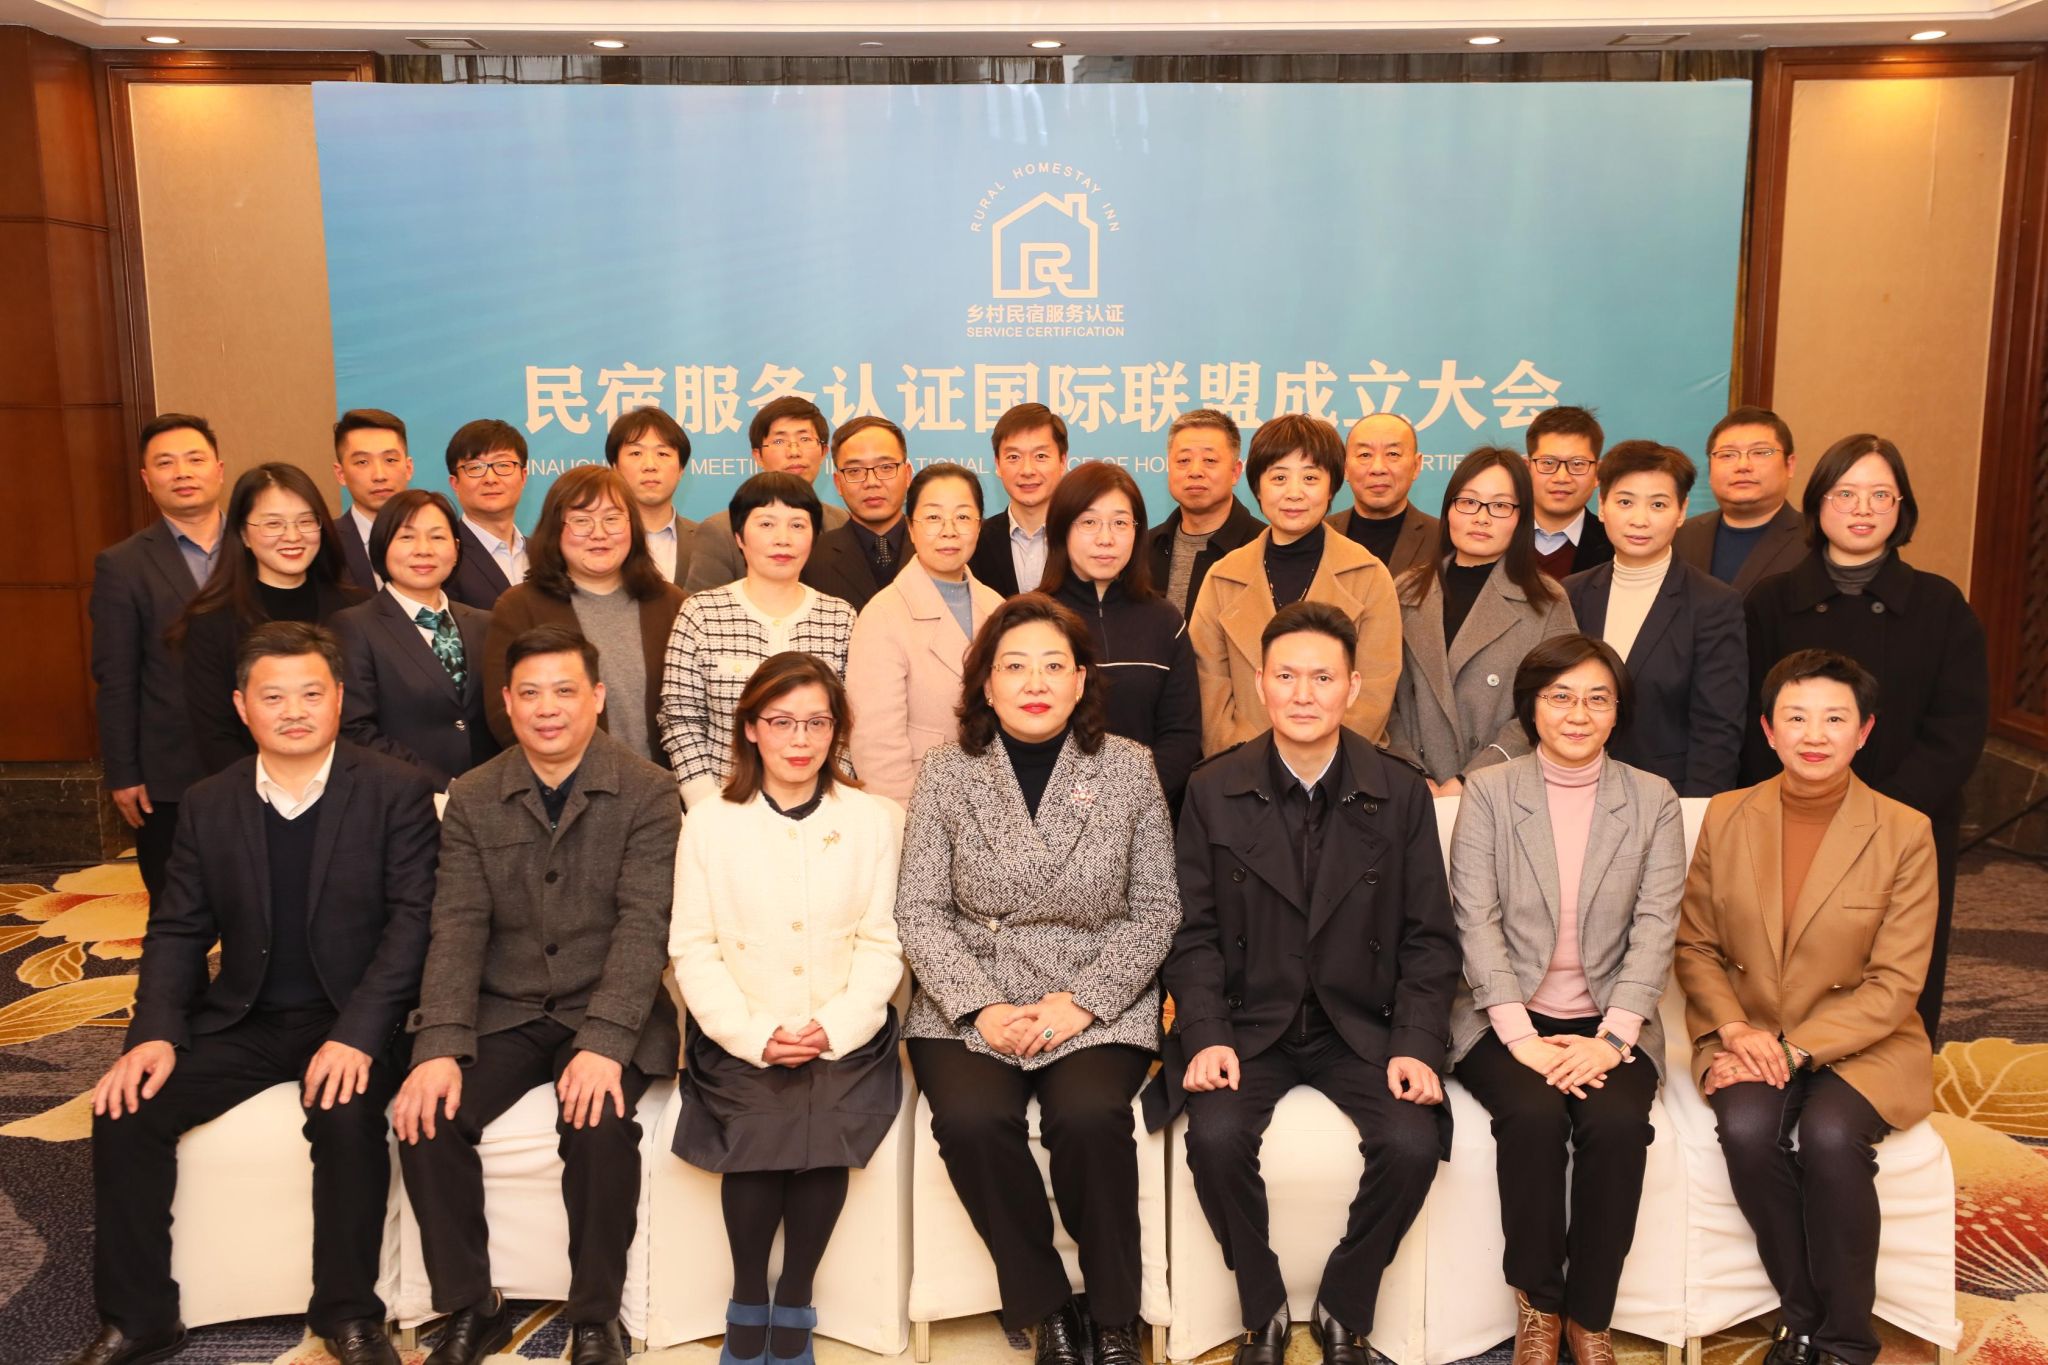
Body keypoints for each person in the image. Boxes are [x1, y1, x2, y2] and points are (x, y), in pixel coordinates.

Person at [71, 622, 439, 1365]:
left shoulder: (395, 791)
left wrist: (359, 1033)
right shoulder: (210, 801)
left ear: (339, 699)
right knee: (125, 1106)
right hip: (246, 1014)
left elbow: (413, 926)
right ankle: (140, 1317)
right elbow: (178, 928)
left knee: (345, 1115)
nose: (294, 711)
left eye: (311, 693)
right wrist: (154, 1032)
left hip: (354, 1015)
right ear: (242, 706)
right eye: (273, 697)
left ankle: (348, 1314)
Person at [1158, 600, 1457, 1365]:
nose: (1303, 693)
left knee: (1413, 1141)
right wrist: (1206, 1033)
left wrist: (1416, 1043)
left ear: (1352, 686)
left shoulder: (1399, 791)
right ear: (1260, 683)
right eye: (1286, 675)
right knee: (1214, 1136)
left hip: (1359, 1022)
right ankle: (1262, 1308)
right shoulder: (1212, 787)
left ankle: (1342, 1308)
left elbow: (1429, 938)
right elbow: (1190, 932)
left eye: (1322, 677)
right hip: (1247, 1020)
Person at [895, 594, 1180, 1365]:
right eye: (1015, 666)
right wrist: (981, 1006)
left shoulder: (1128, 766)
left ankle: (1114, 1315)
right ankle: (1046, 1304)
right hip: (971, 993)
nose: (1035, 682)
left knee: (1089, 1117)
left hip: (1095, 993)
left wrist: (1083, 1002)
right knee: (971, 1120)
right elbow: (919, 909)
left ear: (1081, 679)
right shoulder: (946, 771)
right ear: (985, 683)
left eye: (1055, 665)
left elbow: (1157, 908)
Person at [394, 625, 681, 1365]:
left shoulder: (648, 790)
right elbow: (457, 925)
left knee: (598, 1120)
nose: (547, 708)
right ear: (507, 703)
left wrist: (605, 1043)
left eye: (564, 690)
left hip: (603, 1004)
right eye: (530, 693)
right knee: (426, 1115)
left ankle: (596, 1317)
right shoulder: (475, 794)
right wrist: (438, 1045)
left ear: (597, 696)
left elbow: (644, 927)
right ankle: (472, 1304)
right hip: (506, 1007)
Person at [1676, 649, 1938, 1365]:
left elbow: (1895, 983)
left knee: (1828, 1135)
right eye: (1795, 717)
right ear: (1768, 730)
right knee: (1747, 1129)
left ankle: (1847, 1340)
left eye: (1834, 719)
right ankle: (1802, 1317)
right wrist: (1734, 1029)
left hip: (1866, 1041)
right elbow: (1695, 944)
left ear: (1865, 731)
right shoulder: (1728, 815)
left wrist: (1796, 1050)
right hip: (1750, 1032)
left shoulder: (1904, 831)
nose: (1813, 734)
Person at [1446, 634, 1686, 1365]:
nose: (1578, 714)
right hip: (1504, 1017)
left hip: (1611, 1020)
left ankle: (1591, 1316)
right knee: (1533, 1116)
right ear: (1532, 707)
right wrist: (1521, 1038)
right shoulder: (1490, 791)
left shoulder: (1652, 799)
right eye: (1560, 697)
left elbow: (1657, 927)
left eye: (1597, 699)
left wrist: (1612, 1039)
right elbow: (1474, 921)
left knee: (1617, 1126)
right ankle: (1539, 1307)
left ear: (1617, 712)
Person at [669, 652, 906, 1365]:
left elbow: (882, 942)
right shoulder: (710, 822)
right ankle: (748, 1298)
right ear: (750, 728)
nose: (800, 739)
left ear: (837, 730)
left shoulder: (872, 820)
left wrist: (834, 1025)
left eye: (816, 722)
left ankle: (796, 1297)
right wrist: (754, 1033)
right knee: (759, 1117)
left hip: (846, 1027)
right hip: (740, 1028)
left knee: (825, 1117)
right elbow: (693, 947)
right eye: (781, 722)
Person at [1739, 435, 1988, 1036]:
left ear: (1902, 507)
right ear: (1818, 503)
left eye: (1881, 495)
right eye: (1845, 493)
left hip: (1906, 818)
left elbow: (1958, 725)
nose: (1863, 508)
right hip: (1791, 815)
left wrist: (1882, 814)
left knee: (1894, 967)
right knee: (1786, 959)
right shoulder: (1770, 602)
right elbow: (1750, 718)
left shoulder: (1940, 603)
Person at [1188, 414, 1401, 756]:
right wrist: (1253, 764)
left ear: (1332, 487)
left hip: (1341, 770)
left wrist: (1315, 764)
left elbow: (1374, 691)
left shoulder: (1369, 575)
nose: (1294, 492)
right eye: (1279, 477)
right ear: (1257, 488)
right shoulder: (1222, 577)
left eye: (1311, 477)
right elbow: (1208, 689)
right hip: (1242, 768)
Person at [660, 472, 858, 809]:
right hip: (724, 806)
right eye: (766, 524)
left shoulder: (840, 618)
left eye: (797, 525)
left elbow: (848, 723)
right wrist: (707, 805)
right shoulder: (701, 613)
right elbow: (680, 718)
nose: (783, 539)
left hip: (822, 809)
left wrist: (830, 801)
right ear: (739, 536)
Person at [1386, 447, 1578, 793]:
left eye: (1500, 506)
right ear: (1449, 509)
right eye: (1468, 502)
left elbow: (1555, 703)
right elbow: (1382, 695)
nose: (1481, 518)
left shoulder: (1546, 600)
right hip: (1410, 787)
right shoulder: (1405, 589)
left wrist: (1469, 780)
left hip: (1501, 788)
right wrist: (1410, 772)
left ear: (1522, 517)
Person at [91, 412, 226, 904]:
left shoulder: (261, 545)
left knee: (262, 907)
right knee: (178, 909)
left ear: (219, 470)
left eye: (195, 459)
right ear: (148, 480)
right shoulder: (122, 564)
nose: (182, 472)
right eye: (166, 463)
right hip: (169, 773)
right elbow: (116, 677)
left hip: (262, 760)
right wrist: (124, 772)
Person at [1564, 441, 1746, 796]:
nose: (1640, 520)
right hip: (1571, 789)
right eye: (1625, 502)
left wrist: (1695, 812)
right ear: (1601, 506)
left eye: (1658, 504)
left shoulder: (1714, 604)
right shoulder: (1571, 593)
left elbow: (1718, 729)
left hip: (1666, 796)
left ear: (1682, 511)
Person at [482, 465, 686, 769]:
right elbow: (505, 713)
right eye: (581, 520)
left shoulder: (672, 604)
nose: (599, 533)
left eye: (612, 519)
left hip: (664, 786)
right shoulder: (519, 607)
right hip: (562, 783)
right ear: (555, 529)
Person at [173, 462, 368, 776]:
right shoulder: (211, 622)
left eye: (306, 521)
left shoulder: (358, 608)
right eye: (273, 524)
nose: (292, 536)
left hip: (357, 784)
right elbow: (216, 736)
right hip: (254, 789)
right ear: (243, 534)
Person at [1040, 461, 1202, 809]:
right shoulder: (1031, 620)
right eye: (1089, 522)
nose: (1106, 538)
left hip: (1146, 814)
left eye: (1120, 523)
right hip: (1049, 813)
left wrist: (1125, 804)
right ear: (1061, 529)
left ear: (1137, 532)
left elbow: (1181, 735)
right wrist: (1076, 805)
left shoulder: (1164, 620)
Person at [844, 462, 1003, 804]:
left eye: (963, 517)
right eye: (933, 517)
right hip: (921, 804)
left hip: (997, 802)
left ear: (979, 525)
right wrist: (906, 820)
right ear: (911, 528)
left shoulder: (997, 606)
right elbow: (876, 745)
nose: (949, 531)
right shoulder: (883, 615)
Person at [331, 490, 498, 789]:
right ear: (382, 547)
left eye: (437, 537)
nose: (423, 550)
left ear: (456, 548)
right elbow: (356, 731)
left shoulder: (485, 623)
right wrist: (443, 785)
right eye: (407, 537)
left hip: (489, 794)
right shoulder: (354, 627)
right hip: (403, 797)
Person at [683, 397, 850, 595]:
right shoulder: (721, 531)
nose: (794, 451)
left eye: (805, 439)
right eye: (779, 441)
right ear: (758, 456)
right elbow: (705, 607)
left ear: (823, 452)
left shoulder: (842, 521)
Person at [1145, 408, 1264, 620]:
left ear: (1235, 472)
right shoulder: (1143, 548)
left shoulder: (1264, 547)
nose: (1195, 471)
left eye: (1209, 460)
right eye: (1183, 460)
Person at [1673, 407, 1808, 593]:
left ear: (1790, 465)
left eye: (1760, 452)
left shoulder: (1815, 539)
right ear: (1710, 469)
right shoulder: (1678, 537)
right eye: (1728, 455)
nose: (1743, 466)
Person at [801, 415, 912, 612]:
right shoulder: (810, 558)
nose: (871, 482)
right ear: (838, 483)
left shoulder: (940, 546)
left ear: (907, 474)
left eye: (886, 467)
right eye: (854, 471)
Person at [969, 402, 1072, 596]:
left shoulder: (1083, 536)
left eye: (1040, 456)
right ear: (997, 465)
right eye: (1014, 457)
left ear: (1062, 462)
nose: (1027, 470)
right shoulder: (975, 541)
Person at [1328, 413, 1438, 578]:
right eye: (1365, 455)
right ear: (1345, 468)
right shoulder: (1319, 534)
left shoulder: (1443, 538)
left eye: (1393, 454)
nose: (1378, 468)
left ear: (1416, 465)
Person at [604, 406, 698, 588]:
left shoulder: (708, 542)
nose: (650, 465)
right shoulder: (595, 540)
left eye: (663, 453)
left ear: (681, 469)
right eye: (636, 453)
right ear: (615, 467)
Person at [442, 418, 531, 610]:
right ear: (455, 483)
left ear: (523, 476)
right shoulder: (444, 554)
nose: (490, 479)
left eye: (503, 465)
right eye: (475, 467)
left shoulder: (545, 556)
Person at [1524, 407, 1613, 580]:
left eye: (1577, 464)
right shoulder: (1496, 533)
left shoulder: (1615, 545)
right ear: (1527, 470)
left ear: (1598, 473)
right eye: (1548, 463)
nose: (1561, 478)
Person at [331, 408, 413, 591]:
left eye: (390, 460)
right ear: (341, 474)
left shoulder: (440, 541)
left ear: (408, 468)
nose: (379, 475)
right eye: (362, 462)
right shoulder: (325, 544)